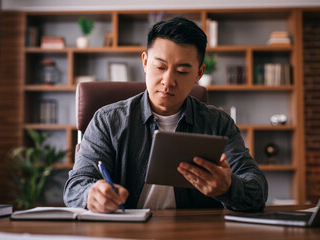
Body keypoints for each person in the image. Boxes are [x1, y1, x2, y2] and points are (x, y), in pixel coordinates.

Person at [64, 17, 268, 213]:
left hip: (196, 233)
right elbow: (75, 187)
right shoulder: (108, 121)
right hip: (126, 232)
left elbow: (257, 189)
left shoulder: (218, 124)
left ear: (199, 73)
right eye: (160, 67)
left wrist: (228, 188)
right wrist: (91, 195)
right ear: (145, 62)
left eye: (181, 71)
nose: (168, 81)